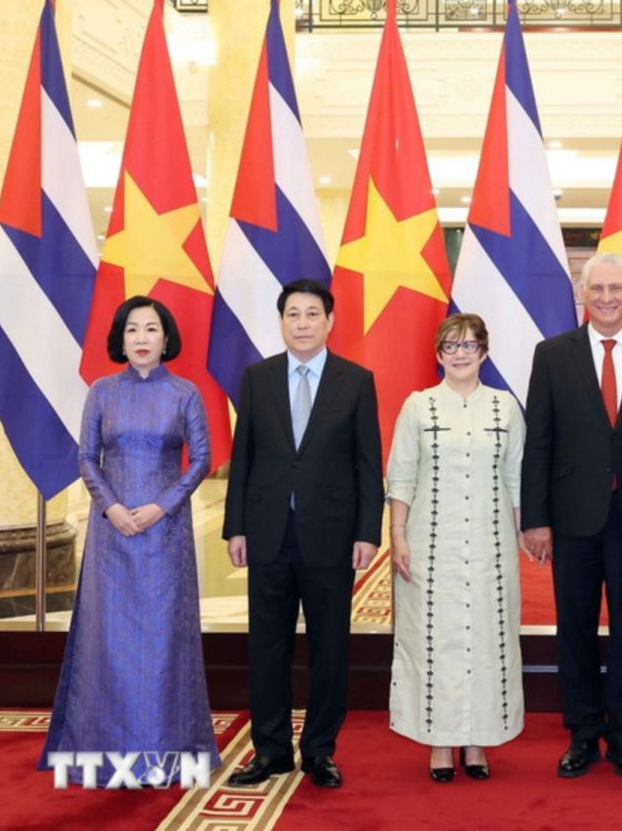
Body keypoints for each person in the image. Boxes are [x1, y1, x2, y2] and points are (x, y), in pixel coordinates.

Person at [40, 296, 219, 783]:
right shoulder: (101, 391)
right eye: (132, 330)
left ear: (167, 338)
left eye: (151, 329)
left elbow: (201, 460)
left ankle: (165, 752)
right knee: (109, 639)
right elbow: (85, 457)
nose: (142, 338)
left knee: (163, 640)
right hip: (111, 532)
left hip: (166, 532)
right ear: (120, 339)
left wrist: (162, 505)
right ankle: (101, 750)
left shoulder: (185, 393)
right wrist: (112, 505)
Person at [521, 252, 622, 781]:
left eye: (616, 288)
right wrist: (536, 518)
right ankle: (585, 732)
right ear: (582, 295)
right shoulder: (552, 354)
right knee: (575, 627)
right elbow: (539, 442)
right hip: (573, 517)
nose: (607, 298)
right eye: (597, 289)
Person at [223, 279, 383, 790]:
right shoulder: (257, 378)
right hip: (268, 533)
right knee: (266, 647)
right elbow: (242, 459)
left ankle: (319, 750)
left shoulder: (355, 380)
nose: (303, 323)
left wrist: (367, 531)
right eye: (293, 314)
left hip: (331, 537)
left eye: (312, 314)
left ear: (330, 321)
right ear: (281, 321)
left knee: (329, 647)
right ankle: (270, 750)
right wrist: (235, 527)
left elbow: (366, 464)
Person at [386, 314, 525, 782]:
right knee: (435, 639)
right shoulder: (418, 406)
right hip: (430, 543)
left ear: (485, 352)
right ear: (438, 354)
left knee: (486, 636)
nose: (460, 353)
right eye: (451, 346)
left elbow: (517, 478)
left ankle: (477, 740)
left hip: (491, 543)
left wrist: (529, 535)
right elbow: (401, 475)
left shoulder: (504, 407)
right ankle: (440, 742)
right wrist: (398, 534)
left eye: (469, 345)